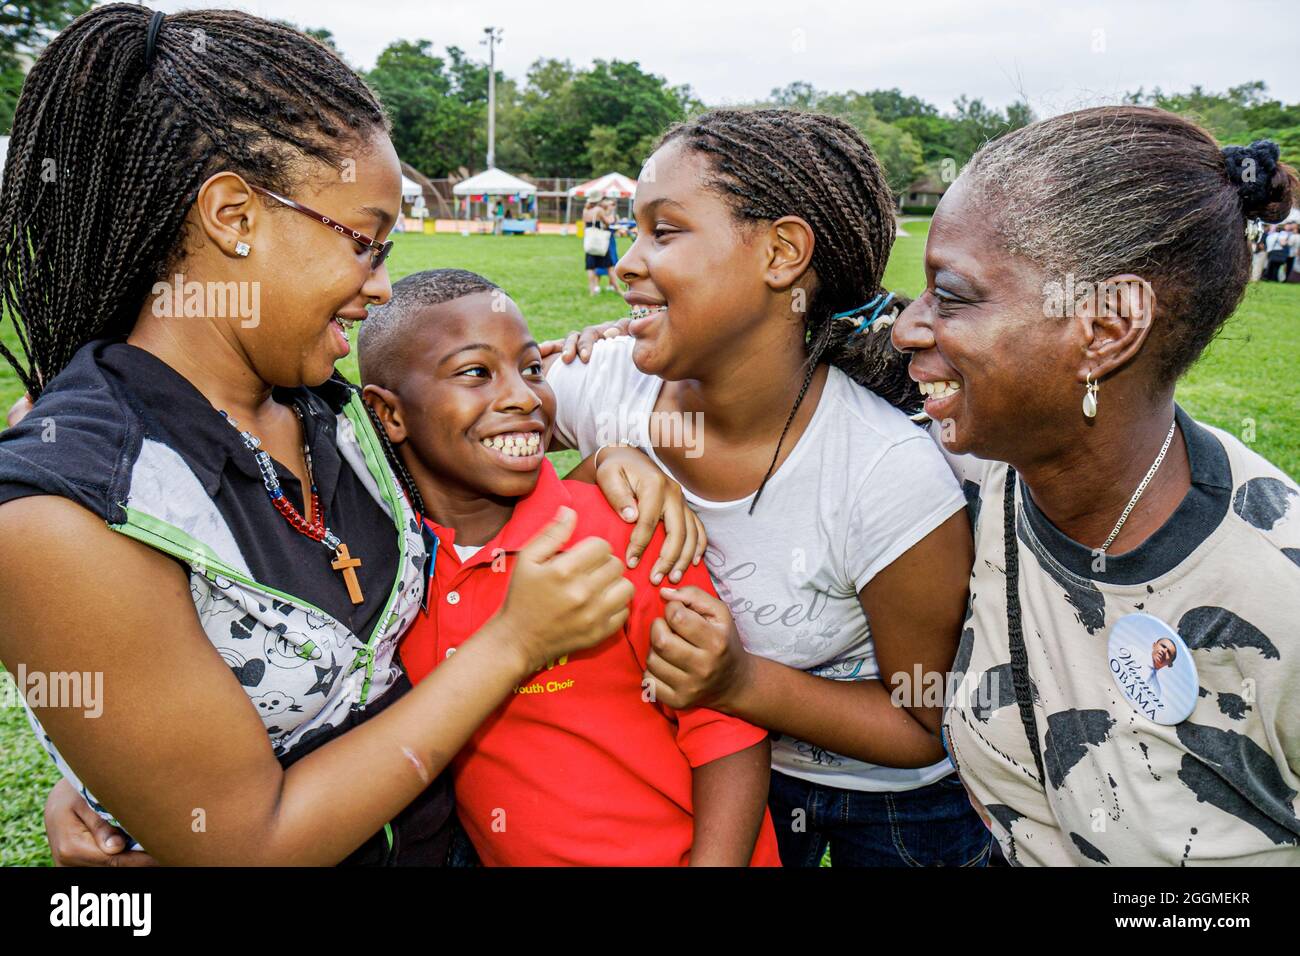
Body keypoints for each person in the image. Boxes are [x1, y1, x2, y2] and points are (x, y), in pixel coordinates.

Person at [2, 5, 700, 867]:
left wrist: (608, 463)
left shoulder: (328, 410)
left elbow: (469, 470)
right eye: (366, 244)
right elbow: (247, 846)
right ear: (234, 216)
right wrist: (515, 644)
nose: (381, 287)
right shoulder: (67, 513)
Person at [544, 109, 991, 867]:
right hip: (702, 768)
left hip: (891, 808)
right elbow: (445, 439)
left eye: (665, 231)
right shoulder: (605, 389)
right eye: (631, 229)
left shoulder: (884, 473)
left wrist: (742, 682)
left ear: (782, 253)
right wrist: (603, 460)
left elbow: (923, 722)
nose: (624, 262)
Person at [888, 109, 1300, 865]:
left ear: (1108, 330)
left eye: (950, 295)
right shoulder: (976, 473)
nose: (906, 328)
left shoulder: (1279, 594)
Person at [357, 268, 781, 866]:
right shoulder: (391, 564)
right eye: (476, 372)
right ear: (390, 415)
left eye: (532, 368)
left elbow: (725, 728)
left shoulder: (621, 531)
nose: (525, 396)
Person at [582, 191, 618, 295]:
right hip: (600, 243)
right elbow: (608, 222)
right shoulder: (599, 210)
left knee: (590, 267)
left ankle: (592, 291)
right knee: (610, 266)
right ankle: (617, 289)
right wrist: (611, 213)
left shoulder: (585, 211)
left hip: (590, 242)